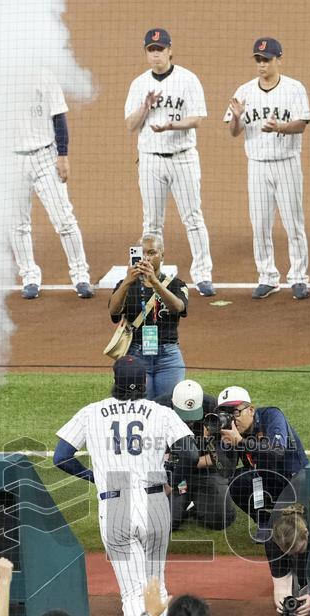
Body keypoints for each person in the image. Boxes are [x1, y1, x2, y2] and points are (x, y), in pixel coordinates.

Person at [53, 356, 197, 616]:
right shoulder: (161, 412)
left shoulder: (91, 413)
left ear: (114, 380)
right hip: (156, 502)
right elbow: (191, 454)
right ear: (144, 382)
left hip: (115, 502)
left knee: (133, 590)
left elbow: (62, 457)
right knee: (156, 583)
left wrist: (94, 477)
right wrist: (171, 478)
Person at [124, 28, 215, 296]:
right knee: (151, 222)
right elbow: (130, 124)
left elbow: (198, 118)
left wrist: (171, 126)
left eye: (160, 49)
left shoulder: (188, 79)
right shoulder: (139, 84)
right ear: (146, 53)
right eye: (151, 50)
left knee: (193, 217)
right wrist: (145, 107)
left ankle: (203, 275)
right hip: (151, 161)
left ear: (170, 50)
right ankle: (148, 276)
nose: (156, 55)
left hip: (183, 158)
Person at [225, 37, 310, 301]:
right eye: (259, 60)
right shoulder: (244, 91)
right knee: (260, 224)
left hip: (287, 164)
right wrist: (238, 116)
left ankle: (298, 277)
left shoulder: (295, 88)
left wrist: (280, 128)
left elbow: (302, 124)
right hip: (258, 167)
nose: (262, 65)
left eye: (267, 59)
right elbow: (233, 132)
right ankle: (268, 277)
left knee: (293, 223)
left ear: (279, 60)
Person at [216, 386, 310, 615]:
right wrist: (220, 445)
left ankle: (299, 578)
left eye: (236, 412)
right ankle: (265, 521)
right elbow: (225, 470)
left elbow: (277, 450)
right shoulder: (229, 430)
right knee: (237, 482)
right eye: (226, 414)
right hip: (266, 483)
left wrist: (240, 442)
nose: (232, 419)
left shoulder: (271, 416)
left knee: (287, 532)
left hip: (295, 483)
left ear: (251, 409)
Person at [11, 71, 93, 300]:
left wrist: (63, 154)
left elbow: (59, 118)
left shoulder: (45, 76)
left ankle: (80, 275)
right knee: (17, 223)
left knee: (64, 218)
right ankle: (29, 276)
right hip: (13, 159)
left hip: (46, 156)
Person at [108, 235, 189, 401]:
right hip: (136, 355)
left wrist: (155, 283)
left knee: (169, 408)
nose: (146, 258)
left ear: (162, 255)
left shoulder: (176, 284)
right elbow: (114, 311)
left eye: (152, 253)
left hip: (169, 357)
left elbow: (178, 307)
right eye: (142, 253)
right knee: (140, 407)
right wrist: (127, 281)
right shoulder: (126, 285)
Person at [155, 378, 235, 530]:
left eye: (192, 417)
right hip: (172, 473)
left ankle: (196, 502)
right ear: (173, 404)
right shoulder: (158, 409)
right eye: (184, 417)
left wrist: (192, 459)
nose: (189, 423)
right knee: (165, 523)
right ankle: (184, 502)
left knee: (221, 520)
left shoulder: (213, 409)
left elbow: (224, 458)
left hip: (205, 472)